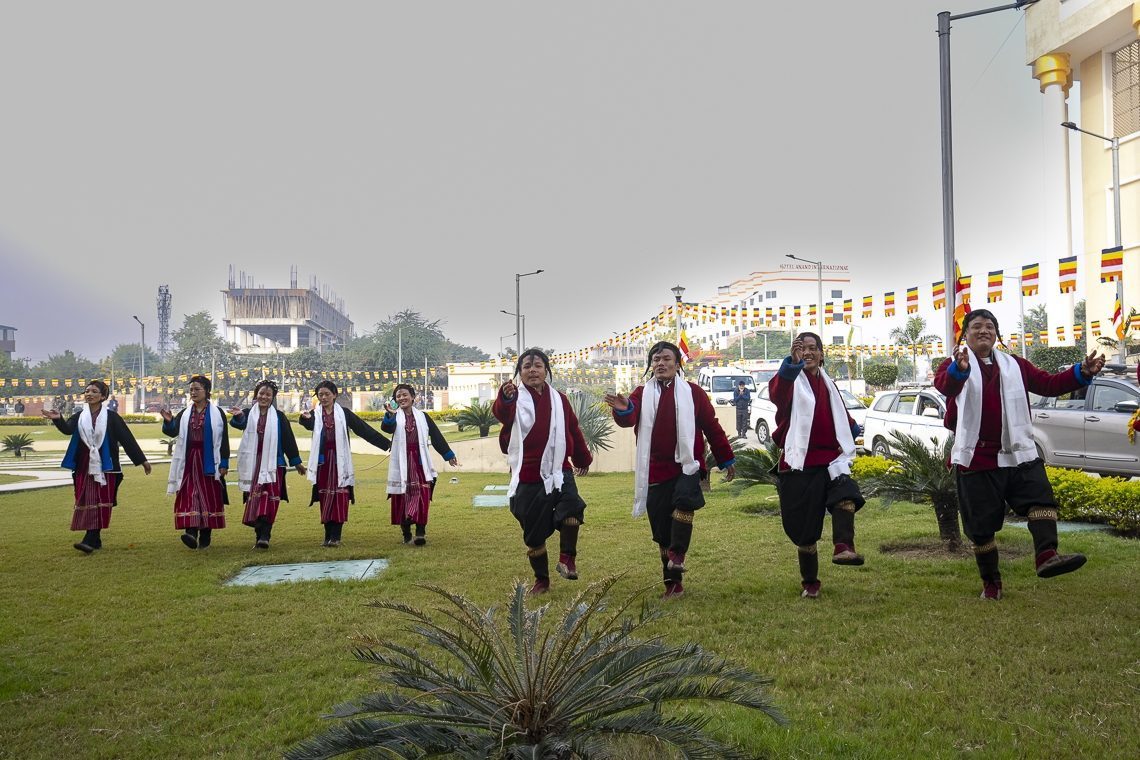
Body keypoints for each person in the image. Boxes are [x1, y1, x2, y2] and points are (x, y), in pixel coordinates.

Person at [934, 308, 1105, 600]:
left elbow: (1049, 385)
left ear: (997, 335)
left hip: (1018, 452)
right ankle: (992, 583)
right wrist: (959, 369)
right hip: (977, 458)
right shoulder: (953, 364)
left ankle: (1047, 555)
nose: (984, 331)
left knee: (1040, 497)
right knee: (981, 528)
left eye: (990, 326)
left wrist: (1082, 372)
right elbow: (944, 386)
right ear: (965, 335)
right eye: (977, 326)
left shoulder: (1016, 365)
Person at [604, 341, 736, 600]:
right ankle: (672, 584)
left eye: (666, 359)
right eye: (655, 360)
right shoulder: (641, 393)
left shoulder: (694, 393)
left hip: (687, 466)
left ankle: (678, 554)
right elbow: (629, 417)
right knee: (662, 532)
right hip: (653, 471)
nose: (660, 363)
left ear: (678, 364)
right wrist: (624, 410)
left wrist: (726, 459)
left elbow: (711, 426)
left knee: (685, 503)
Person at [769, 332, 866, 600]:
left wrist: (851, 430)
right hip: (798, 464)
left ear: (822, 354)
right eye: (802, 349)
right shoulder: (790, 383)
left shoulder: (829, 384)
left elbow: (841, 416)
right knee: (805, 530)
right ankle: (810, 582)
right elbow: (776, 393)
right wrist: (792, 363)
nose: (808, 353)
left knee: (846, 494)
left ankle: (843, 547)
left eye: (813, 348)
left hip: (831, 461)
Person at [493, 349, 592, 595]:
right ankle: (542, 580)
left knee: (573, 507)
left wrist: (582, 457)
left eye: (538, 365)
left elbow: (573, 430)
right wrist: (505, 399)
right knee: (533, 533)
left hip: (559, 470)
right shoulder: (514, 398)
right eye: (526, 366)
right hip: (527, 474)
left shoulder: (560, 399)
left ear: (546, 370)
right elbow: (502, 415)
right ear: (520, 372)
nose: (532, 370)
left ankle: (567, 558)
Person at [43, 380, 152, 553]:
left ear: (103, 396)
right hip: (83, 465)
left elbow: (127, 440)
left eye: (94, 391)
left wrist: (142, 461)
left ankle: (90, 539)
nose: (89, 394)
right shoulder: (80, 416)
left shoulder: (112, 417)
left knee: (100, 499)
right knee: (86, 499)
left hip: (106, 465)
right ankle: (95, 539)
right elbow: (68, 430)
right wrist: (58, 420)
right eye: (87, 391)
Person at [298, 380, 391, 547]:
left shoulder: (344, 414)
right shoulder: (315, 414)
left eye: (327, 394)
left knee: (340, 496)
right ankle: (327, 536)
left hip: (340, 462)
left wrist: (387, 444)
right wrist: (304, 419)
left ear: (335, 394)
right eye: (321, 395)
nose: (324, 397)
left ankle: (336, 536)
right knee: (325, 496)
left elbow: (364, 430)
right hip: (323, 463)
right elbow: (307, 423)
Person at [228, 379, 306, 549]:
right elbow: (238, 423)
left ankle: (265, 536)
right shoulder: (248, 413)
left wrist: (296, 462)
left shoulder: (278, 417)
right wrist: (238, 416)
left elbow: (288, 441)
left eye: (268, 394)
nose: (264, 397)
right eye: (261, 393)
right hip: (253, 465)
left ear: (272, 398)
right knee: (255, 500)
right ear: (256, 395)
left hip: (274, 465)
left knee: (269, 501)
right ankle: (259, 536)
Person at [380, 383, 459, 546]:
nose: (401, 398)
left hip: (419, 460)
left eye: (404, 394)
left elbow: (436, 436)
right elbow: (387, 428)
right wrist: (390, 415)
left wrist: (448, 455)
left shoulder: (423, 417)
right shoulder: (394, 416)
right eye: (398, 396)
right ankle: (406, 533)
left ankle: (420, 532)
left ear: (413, 397)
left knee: (422, 493)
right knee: (402, 496)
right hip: (401, 462)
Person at [161, 375, 230, 550]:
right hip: (189, 460)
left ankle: (205, 533)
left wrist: (223, 463)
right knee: (189, 493)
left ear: (206, 391)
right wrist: (169, 422)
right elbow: (172, 432)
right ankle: (191, 532)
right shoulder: (185, 413)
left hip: (209, 461)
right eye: (191, 389)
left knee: (207, 495)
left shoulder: (217, 413)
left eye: (197, 389)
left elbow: (224, 441)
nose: (193, 392)